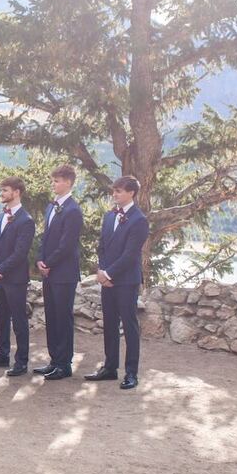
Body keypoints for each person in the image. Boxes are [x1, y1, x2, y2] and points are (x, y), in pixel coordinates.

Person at [85, 176, 150, 390]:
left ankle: (131, 373)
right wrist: (102, 271)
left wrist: (109, 274)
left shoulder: (139, 220)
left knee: (129, 326)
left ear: (131, 193)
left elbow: (131, 254)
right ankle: (110, 367)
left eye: (119, 191)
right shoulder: (109, 216)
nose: (114, 194)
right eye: (114, 191)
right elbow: (102, 247)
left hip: (126, 281)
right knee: (110, 324)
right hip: (108, 280)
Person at [0, 177, 36, 376]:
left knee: (19, 320)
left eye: (5, 190)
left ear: (16, 192)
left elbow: (21, 253)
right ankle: (2, 355)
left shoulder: (26, 220)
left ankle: (21, 361)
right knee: (1, 318)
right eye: (1, 190)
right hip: (0, 277)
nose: (1, 194)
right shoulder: (1, 216)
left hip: (15, 279)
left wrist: (1, 269)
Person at [34, 165, 84, 380]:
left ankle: (65, 365)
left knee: (63, 318)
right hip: (49, 271)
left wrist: (49, 263)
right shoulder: (51, 207)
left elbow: (67, 245)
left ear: (68, 183)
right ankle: (54, 360)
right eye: (53, 180)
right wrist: (40, 259)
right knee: (52, 317)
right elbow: (45, 237)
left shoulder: (73, 210)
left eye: (57, 181)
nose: (53, 184)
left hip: (64, 273)